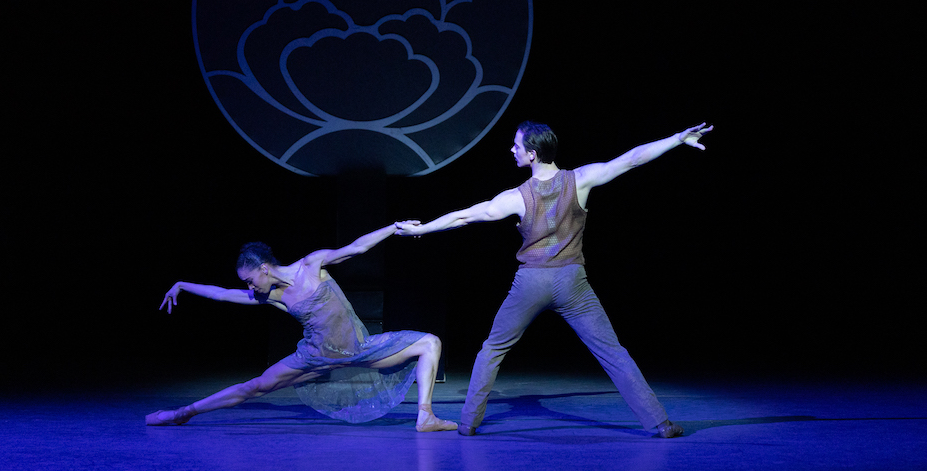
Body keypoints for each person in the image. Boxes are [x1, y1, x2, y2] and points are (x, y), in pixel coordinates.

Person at [397, 121, 713, 438]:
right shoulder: (581, 180)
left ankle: (468, 423)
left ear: (532, 154)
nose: (512, 150)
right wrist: (675, 139)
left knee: (492, 351)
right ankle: (660, 423)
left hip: (531, 284)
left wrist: (422, 229)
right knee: (613, 353)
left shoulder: (515, 197)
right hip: (572, 282)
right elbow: (631, 159)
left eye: (516, 146)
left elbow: (464, 216)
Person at [146, 222, 457, 432]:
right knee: (255, 387)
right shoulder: (273, 296)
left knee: (430, 343)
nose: (250, 288)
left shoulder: (312, 265)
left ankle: (425, 415)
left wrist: (394, 227)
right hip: (314, 357)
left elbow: (356, 248)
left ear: (264, 268)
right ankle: (182, 413)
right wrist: (181, 285)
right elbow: (223, 294)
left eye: (250, 280)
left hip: (361, 349)